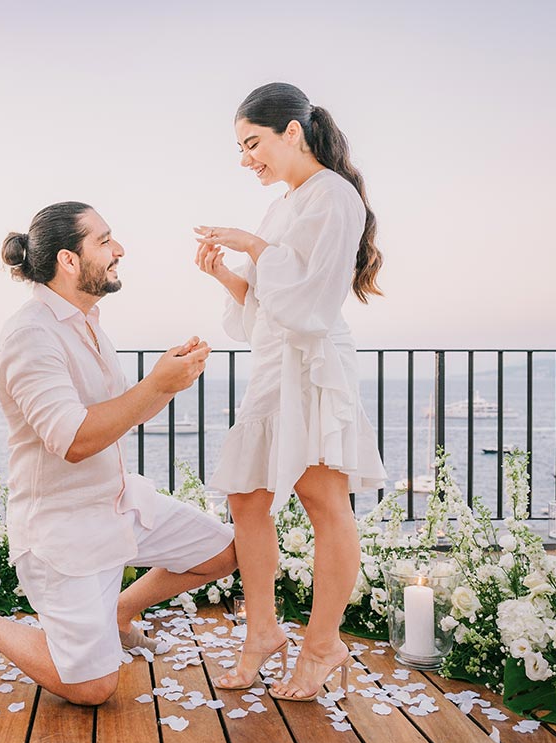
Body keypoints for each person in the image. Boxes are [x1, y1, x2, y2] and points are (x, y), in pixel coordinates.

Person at [0, 201, 237, 706]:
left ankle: (117, 615)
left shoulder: (85, 319)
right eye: (104, 240)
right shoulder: (31, 334)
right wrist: (154, 384)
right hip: (63, 530)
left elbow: (117, 414)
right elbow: (73, 440)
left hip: (116, 503)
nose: (119, 249)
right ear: (69, 260)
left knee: (225, 550)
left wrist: (169, 384)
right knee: (92, 689)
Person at [194, 82, 387, 701]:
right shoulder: (285, 204)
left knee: (322, 498)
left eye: (253, 143)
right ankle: (262, 633)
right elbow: (268, 306)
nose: (246, 158)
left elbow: (310, 304)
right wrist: (228, 273)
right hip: (275, 363)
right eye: (241, 147)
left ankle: (324, 643)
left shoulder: (334, 197)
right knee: (246, 499)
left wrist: (252, 246)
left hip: (314, 361)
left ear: (292, 132)